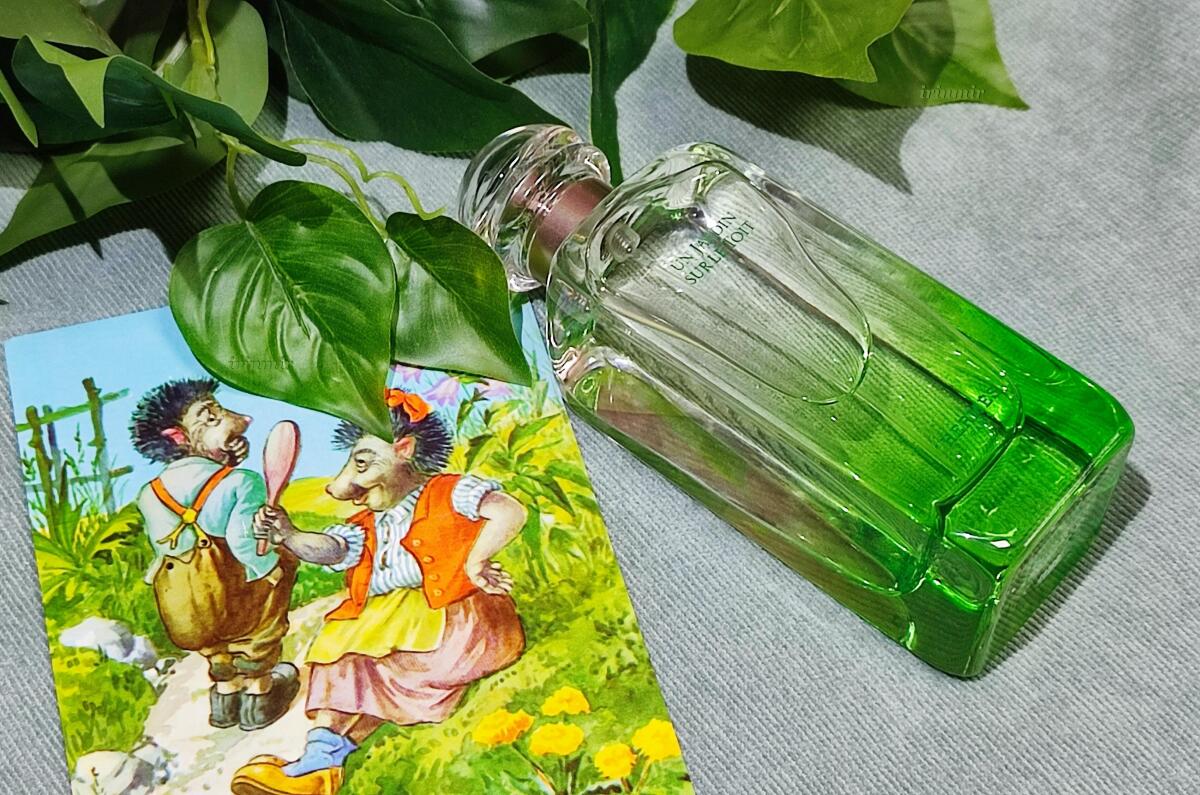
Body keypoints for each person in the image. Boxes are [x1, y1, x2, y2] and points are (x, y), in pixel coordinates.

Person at [231, 388, 526, 795]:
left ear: (403, 450)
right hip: (396, 629)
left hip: (459, 621)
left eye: (363, 463)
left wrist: (477, 560)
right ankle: (319, 766)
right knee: (342, 660)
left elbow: (510, 510)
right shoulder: (368, 523)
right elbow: (332, 549)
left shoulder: (448, 492)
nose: (350, 480)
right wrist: (289, 534)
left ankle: (322, 760)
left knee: (367, 661)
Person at [130, 377, 299, 731]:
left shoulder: (150, 492)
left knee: (214, 640)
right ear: (178, 437)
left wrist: (223, 462)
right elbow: (241, 541)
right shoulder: (243, 481)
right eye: (209, 415)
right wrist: (269, 568)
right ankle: (258, 695)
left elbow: (166, 544)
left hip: (182, 603)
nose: (228, 418)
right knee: (276, 577)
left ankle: (224, 696)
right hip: (231, 593)